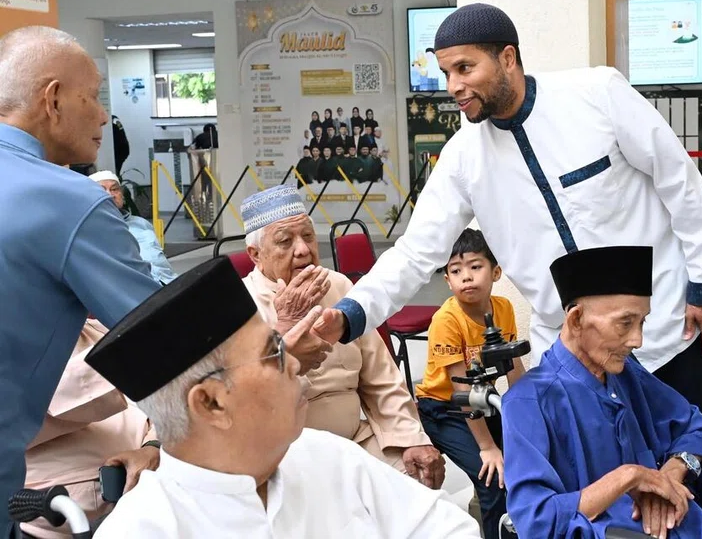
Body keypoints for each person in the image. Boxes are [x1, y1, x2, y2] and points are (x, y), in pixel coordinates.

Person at [316, 3, 702, 524]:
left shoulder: (597, 95)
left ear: (508, 57)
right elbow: (416, 252)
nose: (453, 86)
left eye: (465, 68)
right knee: (605, 507)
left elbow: (679, 182)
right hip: (576, 365)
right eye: (445, 72)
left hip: (665, 331)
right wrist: (350, 313)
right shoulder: (463, 159)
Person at [86, 257, 481, 538]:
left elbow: (448, 526)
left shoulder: (326, 456)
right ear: (211, 403)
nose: (294, 364)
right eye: (274, 353)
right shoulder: (146, 528)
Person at [0, 25, 161, 536]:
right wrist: (278, 344)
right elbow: (168, 332)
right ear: (52, 100)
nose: (102, 115)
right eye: (91, 97)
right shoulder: (67, 199)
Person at [502, 246, 702, 539]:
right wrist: (630, 476)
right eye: (625, 323)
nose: (637, 340)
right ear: (576, 320)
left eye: (642, 323)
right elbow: (536, 521)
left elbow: (696, 426)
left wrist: (668, 476)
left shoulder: (624, 374)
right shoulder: (528, 402)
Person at [239, 186, 445, 488]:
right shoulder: (240, 308)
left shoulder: (339, 286)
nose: (303, 250)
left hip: (356, 442)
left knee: (419, 488)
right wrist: (285, 329)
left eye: (308, 236)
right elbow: (248, 404)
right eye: (285, 241)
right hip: (286, 457)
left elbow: (382, 378)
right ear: (255, 255)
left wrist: (410, 438)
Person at [415, 229, 525, 539]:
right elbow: (461, 391)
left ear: (496, 271)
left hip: (484, 401)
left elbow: (513, 366)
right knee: (493, 480)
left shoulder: (503, 308)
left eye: (475, 266)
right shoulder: (447, 320)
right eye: (456, 270)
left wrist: (527, 418)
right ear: (447, 280)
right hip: (444, 408)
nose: (466, 276)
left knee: (524, 464)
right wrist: (488, 447)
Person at [22, 319, 159, 538]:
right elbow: (22, 416)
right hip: (69, 518)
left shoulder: (93, 324)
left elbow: (166, 404)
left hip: (160, 484)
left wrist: (153, 447)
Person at [89, 170, 178, 285]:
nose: (110, 194)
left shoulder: (141, 224)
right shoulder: (91, 231)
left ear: (122, 195)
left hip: (170, 286)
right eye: (102, 190)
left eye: (114, 189)